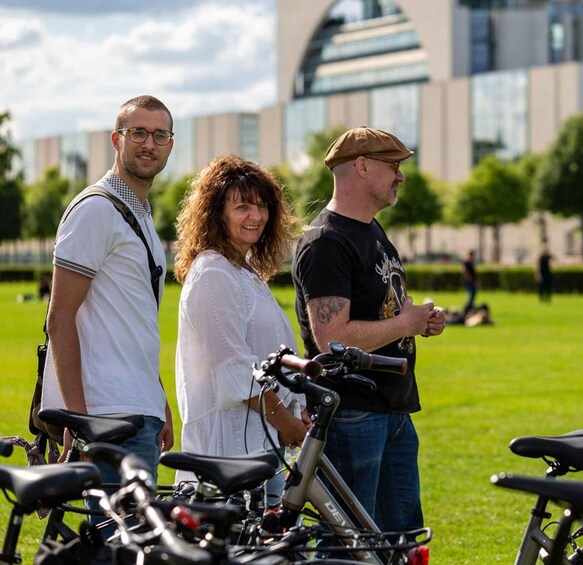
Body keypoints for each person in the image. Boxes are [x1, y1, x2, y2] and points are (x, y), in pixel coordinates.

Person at [292, 126, 446, 533]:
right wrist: (405, 322)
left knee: (399, 540)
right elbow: (332, 338)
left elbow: (384, 310)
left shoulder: (371, 231)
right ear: (361, 166)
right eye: (393, 165)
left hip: (391, 408)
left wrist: (419, 322)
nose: (401, 175)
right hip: (353, 413)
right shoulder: (326, 241)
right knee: (345, 543)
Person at [41, 95, 175, 481]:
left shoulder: (140, 212)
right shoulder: (97, 209)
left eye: (159, 135)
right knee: (113, 539)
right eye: (138, 133)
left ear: (170, 145)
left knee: (129, 539)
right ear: (116, 140)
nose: (149, 144)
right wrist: (80, 422)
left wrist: (158, 397)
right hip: (106, 416)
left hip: (139, 409)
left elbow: (134, 318)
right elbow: (59, 317)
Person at [173, 155, 310, 498]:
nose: (256, 216)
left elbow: (270, 361)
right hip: (228, 456)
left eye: (262, 206)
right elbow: (236, 371)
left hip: (262, 448)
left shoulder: (244, 271)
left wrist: (298, 410)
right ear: (217, 212)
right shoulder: (213, 273)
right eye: (243, 207)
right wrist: (288, 423)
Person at [461, 250, 478, 317]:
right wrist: (468, 278)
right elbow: (464, 271)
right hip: (469, 282)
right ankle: (467, 308)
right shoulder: (467, 262)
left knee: (472, 295)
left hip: (472, 281)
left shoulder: (471, 262)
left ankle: (470, 307)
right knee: (470, 295)